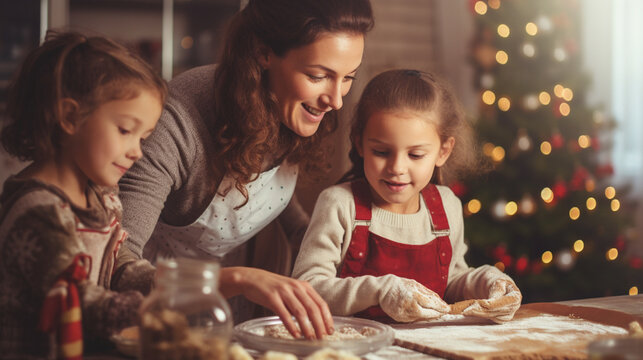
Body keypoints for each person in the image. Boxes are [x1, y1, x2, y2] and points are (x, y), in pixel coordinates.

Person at [115, 0, 374, 339]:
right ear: (264, 53)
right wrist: (238, 279)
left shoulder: (284, 105)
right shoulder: (176, 123)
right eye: (318, 76)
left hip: (230, 313)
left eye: (348, 78)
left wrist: (322, 244)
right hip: (151, 320)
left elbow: (265, 194)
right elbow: (117, 264)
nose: (336, 100)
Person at [292, 69, 522, 323]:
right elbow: (307, 288)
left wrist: (489, 280)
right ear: (359, 144)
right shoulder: (339, 204)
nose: (397, 168)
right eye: (381, 151)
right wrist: (381, 291)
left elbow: (452, 280)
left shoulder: (447, 205)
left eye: (415, 155)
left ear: (443, 151)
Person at [0, 31, 166, 358]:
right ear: (71, 116)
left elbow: (115, 265)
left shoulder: (102, 197)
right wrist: (154, 311)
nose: (137, 153)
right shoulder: (38, 211)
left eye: (143, 138)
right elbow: (77, 301)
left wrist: (161, 285)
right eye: (125, 130)